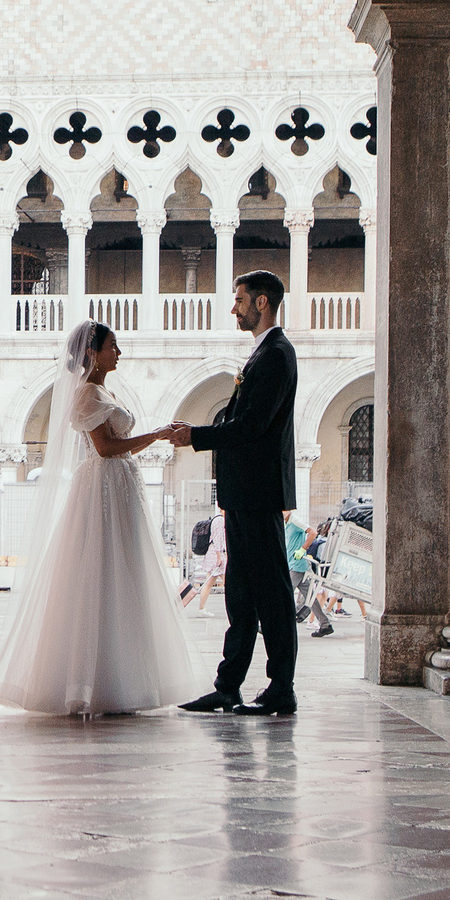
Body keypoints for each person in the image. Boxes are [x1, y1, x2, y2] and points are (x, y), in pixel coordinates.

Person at [0, 321, 196, 716]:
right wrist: (155, 435)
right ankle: (89, 681)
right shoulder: (86, 394)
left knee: (126, 574)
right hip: (103, 487)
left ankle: (126, 677)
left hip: (120, 486)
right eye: (114, 345)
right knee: (99, 571)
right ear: (94, 352)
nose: (120, 352)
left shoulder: (104, 391)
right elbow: (106, 446)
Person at [156, 270, 301, 717]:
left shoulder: (277, 354)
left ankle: (281, 688)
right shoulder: (263, 354)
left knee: (272, 593)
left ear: (262, 303)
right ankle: (228, 685)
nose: (234, 308)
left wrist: (195, 435)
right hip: (245, 495)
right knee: (240, 593)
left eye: (239, 300)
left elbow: (253, 426)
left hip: (258, 494)